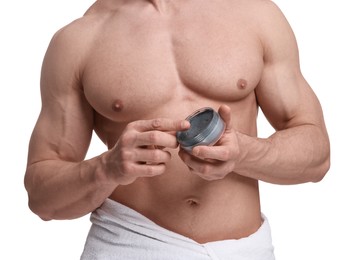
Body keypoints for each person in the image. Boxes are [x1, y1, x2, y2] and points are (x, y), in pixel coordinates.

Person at [24, 0, 330, 259]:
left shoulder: (254, 14)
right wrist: (106, 169)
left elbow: (317, 157)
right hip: (131, 244)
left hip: (245, 250)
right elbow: (42, 198)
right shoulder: (79, 39)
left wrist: (244, 153)